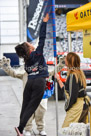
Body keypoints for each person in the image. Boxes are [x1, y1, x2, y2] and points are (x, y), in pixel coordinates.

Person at [14, 13, 49, 136]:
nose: (32, 43)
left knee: (25, 105)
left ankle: (21, 128)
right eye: (29, 44)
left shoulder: (26, 60)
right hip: (39, 81)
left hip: (30, 82)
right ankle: (21, 127)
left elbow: (29, 71)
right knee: (32, 106)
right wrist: (44, 23)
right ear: (30, 49)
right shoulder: (37, 53)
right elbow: (43, 38)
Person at [0, 56, 47, 136]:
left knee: (40, 113)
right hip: (28, 97)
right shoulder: (25, 73)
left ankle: (41, 129)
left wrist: (61, 64)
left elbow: (53, 71)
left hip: (40, 97)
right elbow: (14, 73)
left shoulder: (43, 70)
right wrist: (6, 66)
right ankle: (28, 129)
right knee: (28, 114)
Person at [56, 52, 90, 128]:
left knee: (66, 130)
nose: (64, 60)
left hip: (76, 107)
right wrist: (59, 80)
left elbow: (72, 96)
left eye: (66, 59)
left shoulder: (72, 76)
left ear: (69, 61)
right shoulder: (79, 73)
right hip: (83, 105)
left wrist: (67, 107)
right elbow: (68, 90)